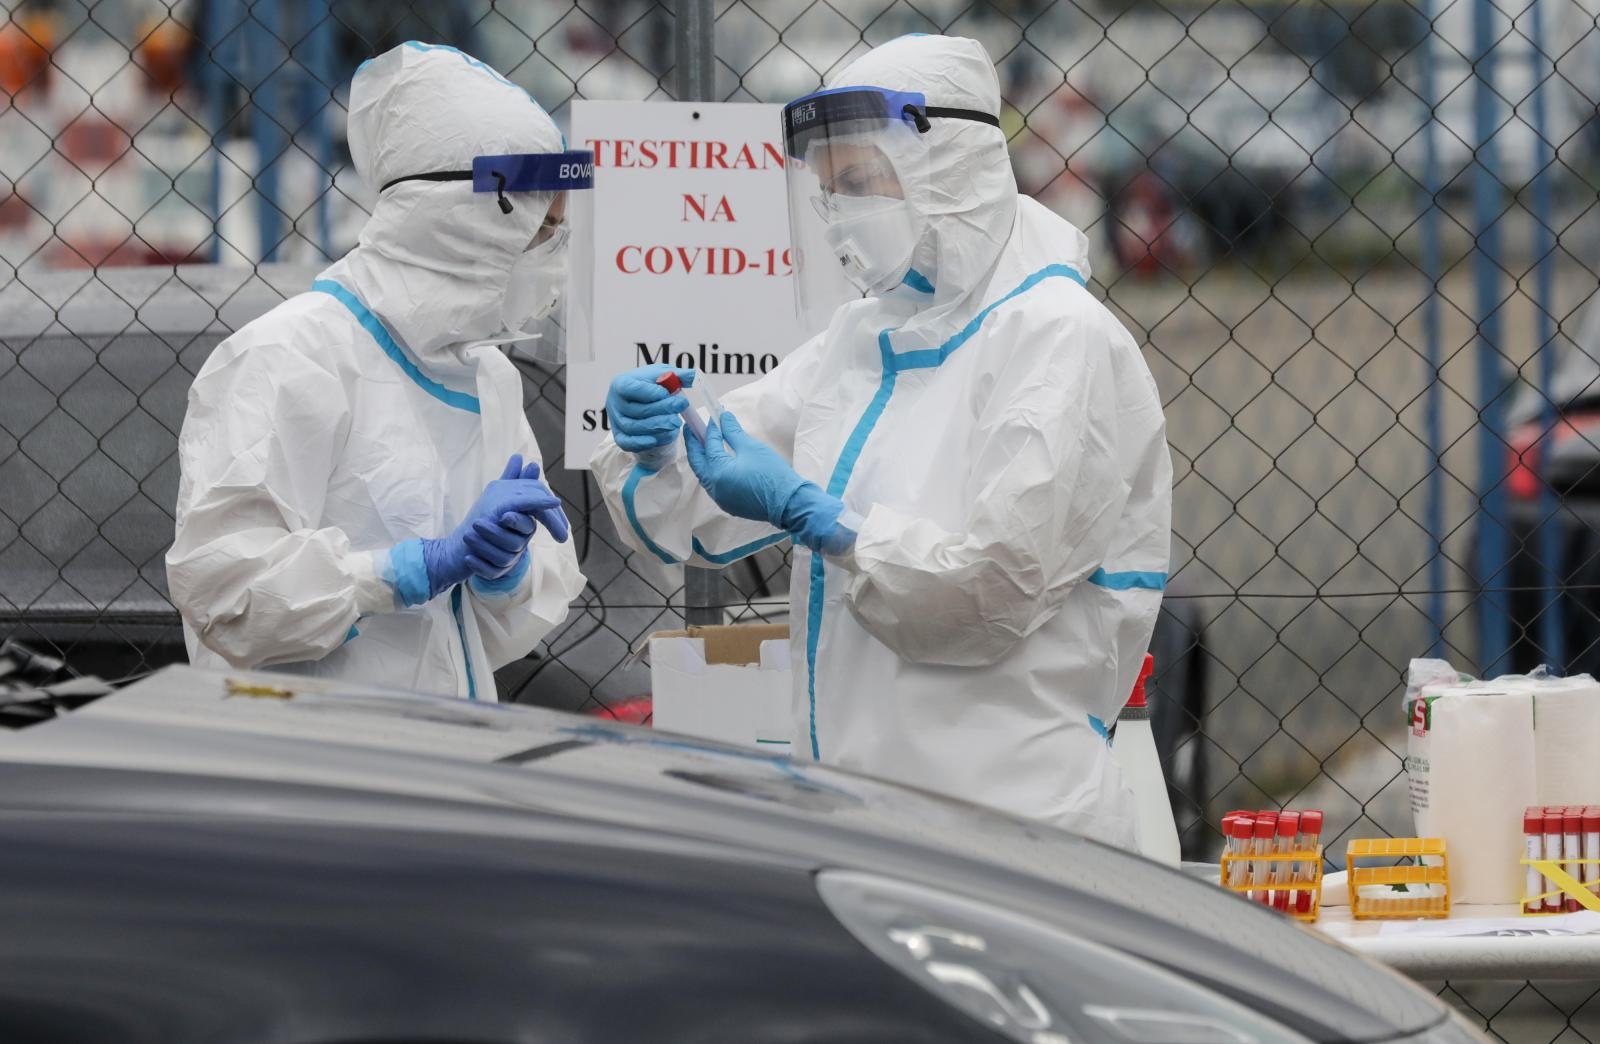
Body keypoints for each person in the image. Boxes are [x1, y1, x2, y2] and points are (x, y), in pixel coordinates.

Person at [591, 35, 1171, 847]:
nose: (841, 211)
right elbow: (701, 494)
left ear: (949, 165)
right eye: (829, 189)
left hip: (1018, 830)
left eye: (862, 181)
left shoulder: (1057, 339)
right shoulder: (863, 339)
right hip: (867, 823)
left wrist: (821, 520)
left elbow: (989, 593)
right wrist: (657, 445)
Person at [167, 43, 589, 699]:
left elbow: (501, 628)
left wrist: (504, 576)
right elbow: (226, 594)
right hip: (307, 747)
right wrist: (401, 572)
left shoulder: (487, 375)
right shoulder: (290, 355)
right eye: (540, 232)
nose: (552, 260)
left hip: (441, 743)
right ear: (464, 221)